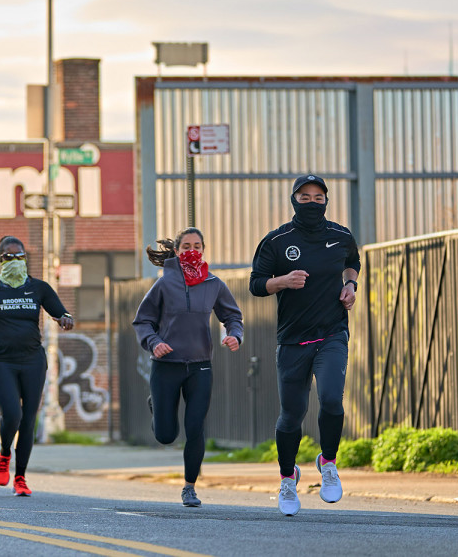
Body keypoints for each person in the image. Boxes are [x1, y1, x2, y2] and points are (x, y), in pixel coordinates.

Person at [250, 175, 360, 516]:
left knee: (330, 399)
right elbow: (255, 284)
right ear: (293, 199)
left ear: (326, 201)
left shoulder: (340, 235)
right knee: (292, 415)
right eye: (305, 196)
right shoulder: (277, 240)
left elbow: (352, 261)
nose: (312, 202)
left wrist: (350, 285)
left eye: (318, 197)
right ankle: (287, 476)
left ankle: (327, 463)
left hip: (332, 334)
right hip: (293, 340)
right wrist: (282, 281)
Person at [132, 228, 243, 508]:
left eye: (196, 245)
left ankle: (189, 488)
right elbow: (143, 321)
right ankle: (155, 406)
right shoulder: (163, 284)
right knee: (166, 435)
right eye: (186, 246)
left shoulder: (214, 283)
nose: (191, 250)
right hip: (166, 365)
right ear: (178, 251)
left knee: (195, 428)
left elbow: (232, 316)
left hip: (200, 367)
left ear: (204, 249)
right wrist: (153, 342)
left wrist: (235, 334)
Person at [0, 236, 73, 497]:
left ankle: (21, 477)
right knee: (12, 414)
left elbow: (60, 311)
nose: (14, 260)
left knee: (28, 421)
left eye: (19, 256)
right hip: (2, 361)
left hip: (33, 361)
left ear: (25, 258)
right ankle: (4, 454)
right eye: (8, 256)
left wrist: (65, 319)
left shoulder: (39, 288)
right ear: (0, 259)